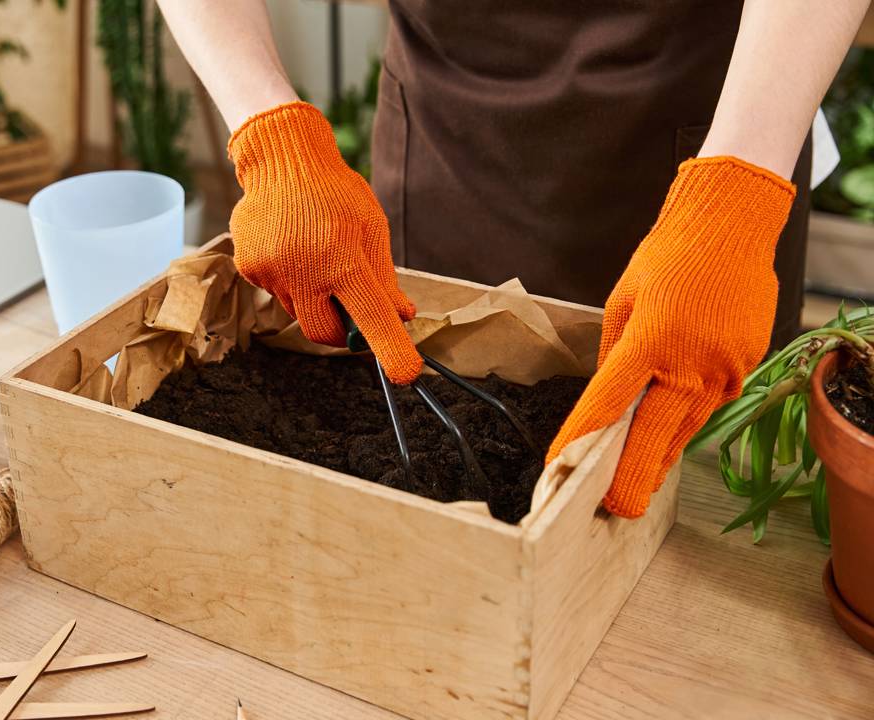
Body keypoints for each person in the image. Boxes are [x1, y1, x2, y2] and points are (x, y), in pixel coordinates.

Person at [155, 0, 870, 518]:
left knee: (704, 486)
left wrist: (734, 200)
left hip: (719, 133)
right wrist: (268, 130)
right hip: (450, 136)